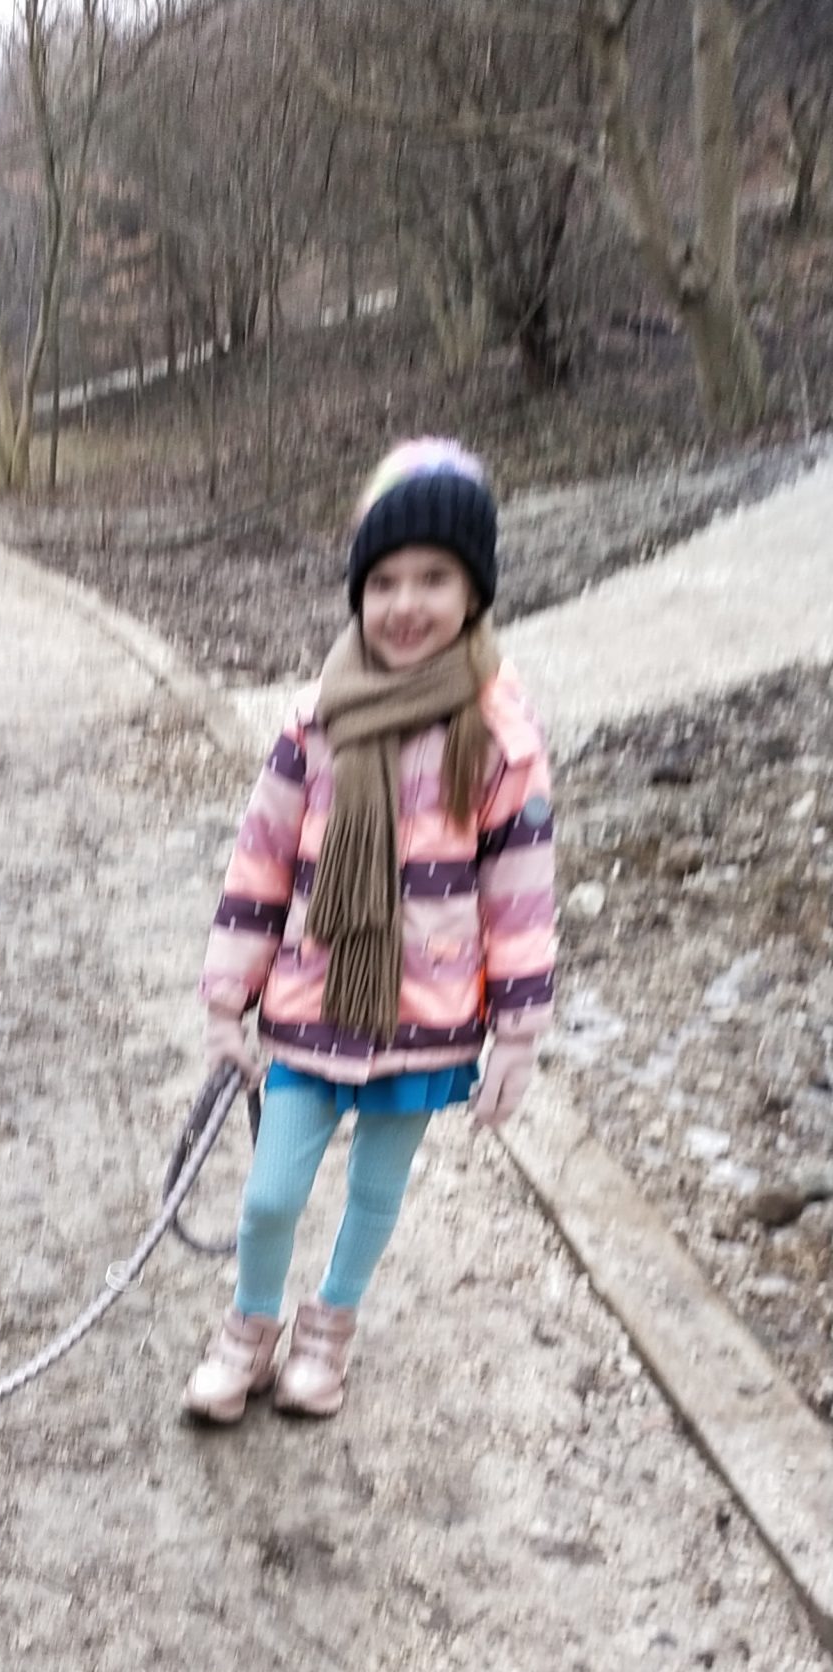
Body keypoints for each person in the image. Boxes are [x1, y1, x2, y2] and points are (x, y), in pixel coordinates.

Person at [183, 437, 556, 1424]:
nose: (405, 602)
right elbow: (260, 865)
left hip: (425, 1017)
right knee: (271, 1194)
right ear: (358, 591)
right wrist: (227, 999)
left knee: (376, 1194)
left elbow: (520, 895)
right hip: (311, 1006)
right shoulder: (314, 724)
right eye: (384, 580)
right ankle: (249, 1327)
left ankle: (328, 1330)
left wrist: (518, 1033)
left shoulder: (500, 736)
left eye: (434, 577)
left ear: (473, 590)